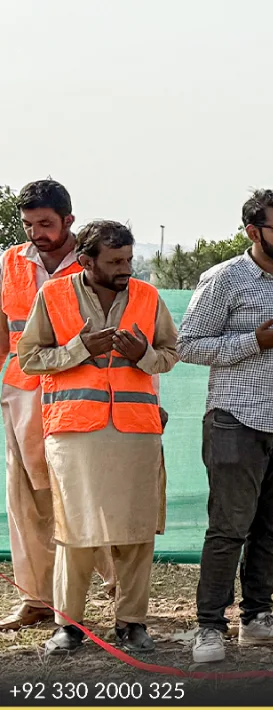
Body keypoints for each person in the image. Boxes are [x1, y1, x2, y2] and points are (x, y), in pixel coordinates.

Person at [177, 189, 273, 664]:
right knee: (229, 529)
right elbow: (188, 345)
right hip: (237, 420)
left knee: (272, 529)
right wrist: (253, 342)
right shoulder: (224, 279)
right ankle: (209, 626)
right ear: (253, 232)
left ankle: (258, 618)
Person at [17, 220, 177, 657]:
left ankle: (132, 623)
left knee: (137, 531)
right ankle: (69, 626)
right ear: (86, 261)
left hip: (136, 430)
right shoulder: (53, 296)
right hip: (74, 432)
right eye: (115, 261)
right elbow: (29, 359)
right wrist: (81, 347)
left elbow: (170, 354)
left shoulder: (147, 296)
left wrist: (142, 355)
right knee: (76, 531)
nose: (126, 268)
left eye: (129, 259)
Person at [0, 181, 117, 632]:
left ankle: (119, 586)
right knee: (27, 498)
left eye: (46, 223)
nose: (37, 233)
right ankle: (36, 599)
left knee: (88, 492)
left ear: (69, 220)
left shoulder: (93, 262)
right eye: (29, 224)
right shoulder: (10, 261)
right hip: (22, 393)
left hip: (81, 392)